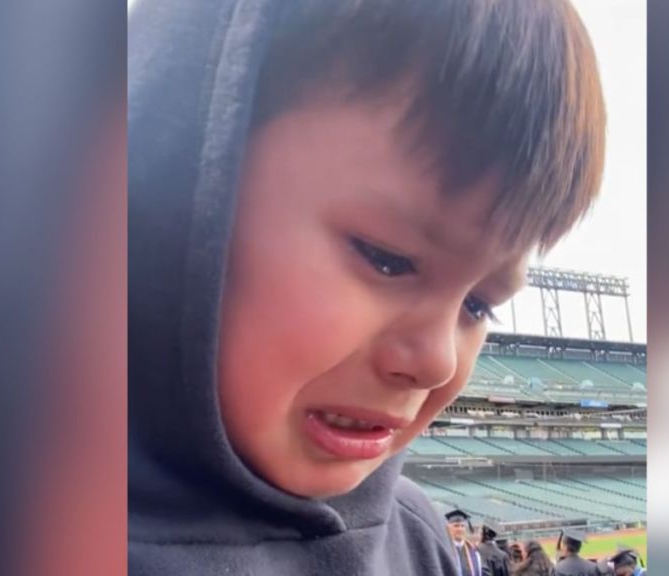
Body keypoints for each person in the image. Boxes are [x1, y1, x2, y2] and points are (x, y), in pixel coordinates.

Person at [128, 0, 606, 574]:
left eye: (479, 305)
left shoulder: (417, 539)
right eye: (387, 259)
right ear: (178, 186)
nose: (436, 362)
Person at [446, 509, 485, 576]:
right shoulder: (445, 549)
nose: (460, 529)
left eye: (462, 526)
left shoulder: (474, 552)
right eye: (456, 526)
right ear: (448, 528)